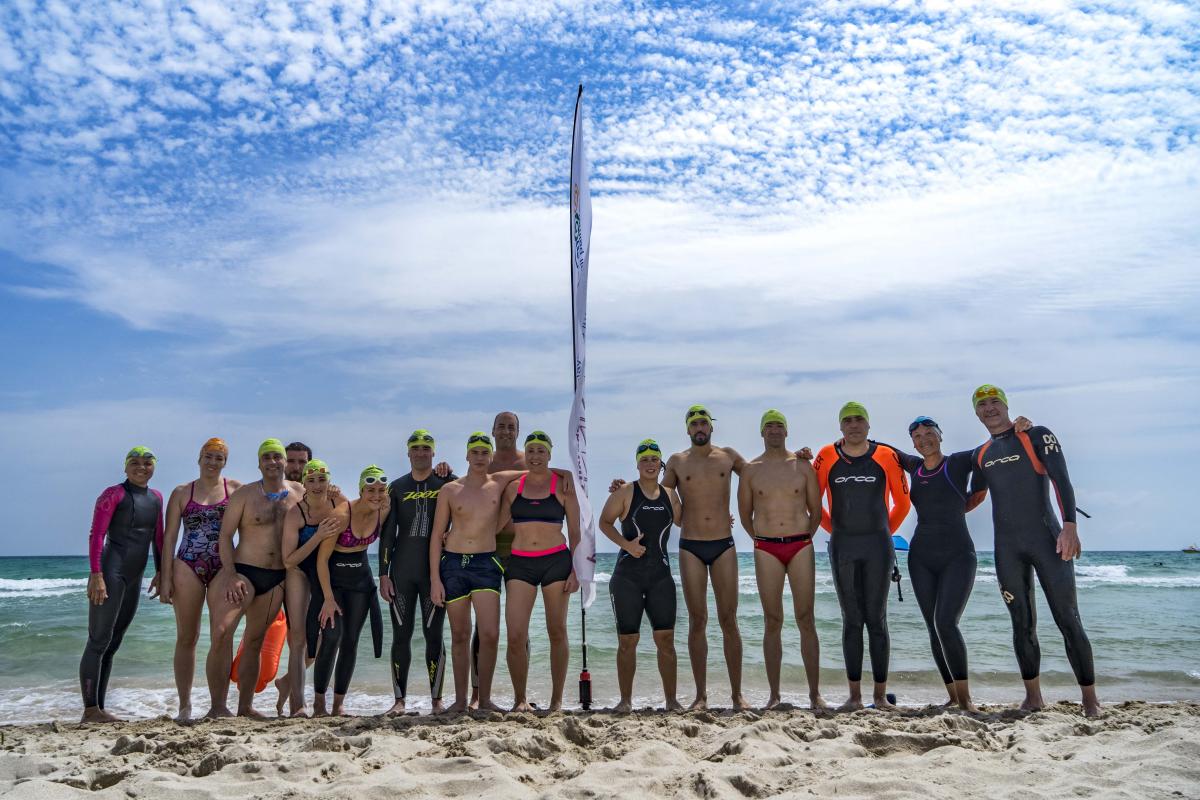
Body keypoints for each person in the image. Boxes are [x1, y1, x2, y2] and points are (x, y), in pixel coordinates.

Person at [970, 384, 1100, 717]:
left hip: (1048, 540)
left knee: (1068, 619)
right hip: (1007, 549)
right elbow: (973, 496)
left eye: (994, 402)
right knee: (1021, 623)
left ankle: (1090, 700)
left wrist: (1070, 526)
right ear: (976, 412)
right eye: (982, 404)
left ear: (1005, 405)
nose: (989, 409)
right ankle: (1033, 697)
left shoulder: (1035, 435)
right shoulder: (981, 455)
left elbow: (1061, 479)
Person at [811, 402, 911, 711]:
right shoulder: (826, 455)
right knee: (852, 620)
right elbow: (814, 503)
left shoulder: (885, 456)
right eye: (848, 420)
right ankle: (854, 697)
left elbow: (903, 503)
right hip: (843, 546)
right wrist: (837, 531)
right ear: (841, 426)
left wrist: (881, 532)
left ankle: (880, 698)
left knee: (877, 620)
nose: (854, 425)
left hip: (878, 547)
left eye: (859, 420)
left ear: (868, 425)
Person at [205, 438, 303, 718]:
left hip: (277, 577)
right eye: (267, 457)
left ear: (285, 462)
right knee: (222, 633)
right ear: (259, 463)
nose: (273, 462)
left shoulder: (298, 492)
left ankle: (245, 707)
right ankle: (217, 706)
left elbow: (325, 506)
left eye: (277, 457)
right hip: (244, 572)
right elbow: (225, 536)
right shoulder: (245, 495)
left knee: (255, 641)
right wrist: (230, 574)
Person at [430, 432, 526, 713]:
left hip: (485, 563)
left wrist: (568, 474)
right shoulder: (450, 490)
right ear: (467, 455)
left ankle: (483, 699)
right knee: (459, 635)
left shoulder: (498, 483)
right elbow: (437, 536)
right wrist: (435, 578)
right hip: (453, 565)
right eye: (476, 452)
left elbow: (535, 468)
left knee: (490, 634)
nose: (481, 457)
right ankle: (460, 701)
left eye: (486, 452)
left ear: (491, 456)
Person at [737, 410, 825, 710]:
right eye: (769, 426)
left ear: (786, 431)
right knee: (772, 620)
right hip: (767, 549)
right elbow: (746, 514)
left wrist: (804, 537)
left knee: (806, 619)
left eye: (779, 426)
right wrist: (761, 538)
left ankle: (815, 694)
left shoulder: (802, 465)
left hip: (800, 546)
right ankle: (774, 695)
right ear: (762, 433)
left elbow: (816, 510)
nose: (774, 430)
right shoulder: (751, 470)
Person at [159, 438, 244, 720]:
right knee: (187, 636)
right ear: (199, 458)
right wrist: (165, 576)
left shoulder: (235, 490)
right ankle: (184, 705)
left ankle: (218, 705)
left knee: (221, 634)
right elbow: (169, 537)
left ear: (225, 462)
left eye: (219, 458)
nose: (213, 462)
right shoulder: (183, 492)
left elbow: (256, 522)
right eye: (208, 457)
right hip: (187, 564)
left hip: (224, 565)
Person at [597, 439, 683, 713]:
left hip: (660, 575)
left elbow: (685, 520)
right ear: (637, 463)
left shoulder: (670, 494)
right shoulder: (625, 491)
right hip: (627, 577)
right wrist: (627, 545)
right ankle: (625, 701)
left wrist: (719, 519)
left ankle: (671, 700)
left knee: (666, 640)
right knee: (627, 641)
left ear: (661, 464)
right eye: (644, 458)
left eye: (653, 458)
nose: (649, 463)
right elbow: (604, 522)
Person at [80, 446, 164, 723]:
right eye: (135, 463)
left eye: (147, 463)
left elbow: (158, 539)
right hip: (110, 572)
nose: (141, 467)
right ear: (126, 467)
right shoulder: (113, 494)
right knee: (98, 641)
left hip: (134, 575)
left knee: (113, 643)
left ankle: (99, 708)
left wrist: (162, 572)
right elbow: (97, 534)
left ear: (154, 467)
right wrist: (96, 575)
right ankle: (90, 710)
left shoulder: (156, 498)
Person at [499, 431, 581, 712]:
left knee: (557, 631)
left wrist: (576, 570)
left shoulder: (563, 486)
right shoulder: (513, 488)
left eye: (541, 451)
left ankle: (556, 701)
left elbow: (575, 532)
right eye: (530, 450)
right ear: (526, 454)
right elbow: (494, 525)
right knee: (515, 636)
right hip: (520, 563)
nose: (535, 456)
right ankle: (520, 700)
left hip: (556, 562)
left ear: (549, 454)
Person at [380, 429, 454, 715]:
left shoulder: (446, 481)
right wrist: (384, 573)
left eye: (426, 448)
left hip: (435, 572)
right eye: (416, 448)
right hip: (402, 571)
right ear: (408, 453)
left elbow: (469, 500)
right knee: (401, 635)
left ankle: (437, 701)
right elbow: (388, 534)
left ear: (434, 452)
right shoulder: (396, 487)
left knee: (434, 634)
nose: (421, 452)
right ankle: (399, 701)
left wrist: (451, 470)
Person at [313, 466, 387, 716]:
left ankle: (338, 704)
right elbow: (321, 560)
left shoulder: (383, 510)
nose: (376, 495)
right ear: (360, 490)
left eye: (380, 490)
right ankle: (319, 702)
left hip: (361, 582)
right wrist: (328, 598)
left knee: (351, 642)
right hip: (335, 581)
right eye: (370, 490)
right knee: (332, 638)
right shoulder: (342, 515)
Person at [280, 459, 346, 716]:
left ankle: (289, 683)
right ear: (304, 483)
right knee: (298, 638)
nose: (317, 485)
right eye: (311, 480)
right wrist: (317, 536)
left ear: (329, 481)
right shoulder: (297, 512)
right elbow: (289, 560)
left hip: (326, 572)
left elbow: (361, 514)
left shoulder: (337, 501)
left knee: (329, 637)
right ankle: (298, 705)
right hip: (299, 571)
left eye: (322, 479)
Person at [469, 410, 525, 707]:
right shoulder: (482, 462)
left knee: (519, 626)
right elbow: (462, 492)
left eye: (511, 427)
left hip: (520, 550)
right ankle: (478, 694)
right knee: (483, 626)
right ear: (492, 430)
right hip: (485, 550)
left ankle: (521, 697)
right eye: (501, 426)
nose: (505, 431)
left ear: (518, 431)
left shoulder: (529, 462)